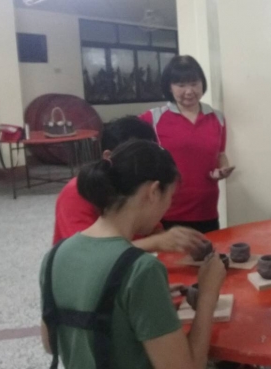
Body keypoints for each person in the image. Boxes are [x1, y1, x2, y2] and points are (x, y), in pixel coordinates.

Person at [40, 140, 227, 369]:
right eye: (170, 198)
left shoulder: (55, 256)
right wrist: (208, 294)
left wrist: (133, 304)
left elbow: (51, 344)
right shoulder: (141, 269)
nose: (166, 209)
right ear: (153, 192)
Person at [53, 116, 207, 254]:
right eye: (140, 159)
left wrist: (173, 239)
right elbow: (88, 254)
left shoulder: (141, 187)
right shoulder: (78, 192)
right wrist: (155, 242)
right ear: (108, 156)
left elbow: (153, 231)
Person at [140, 55, 233, 234]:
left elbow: (220, 154)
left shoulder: (217, 118)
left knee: (209, 250)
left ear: (202, 83)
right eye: (181, 85)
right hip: (166, 212)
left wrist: (223, 169)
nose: (189, 91)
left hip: (207, 210)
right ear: (169, 87)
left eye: (194, 83)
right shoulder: (153, 118)